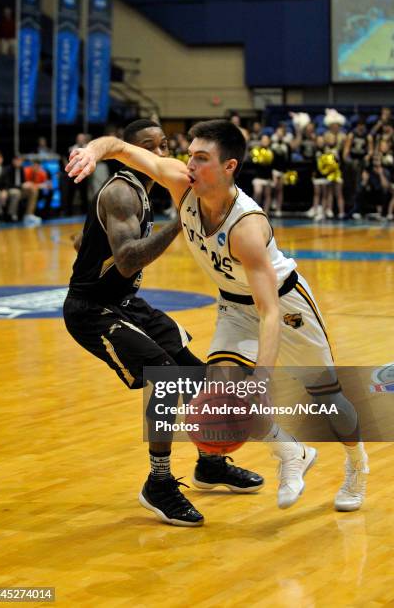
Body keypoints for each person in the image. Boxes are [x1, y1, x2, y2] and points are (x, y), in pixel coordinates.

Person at [67, 119, 370, 513]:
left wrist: (261, 379)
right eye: (189, 154)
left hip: (285, 305)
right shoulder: (180, 181)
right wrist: (93, 151)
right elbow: (121, 148)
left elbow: (270, 312)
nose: (188, 164)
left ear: (229, 167)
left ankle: (357, 465)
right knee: (220, 395)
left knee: (328, 400)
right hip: (232, 304)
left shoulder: (246, 226)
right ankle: (289, 454)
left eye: (201, 158)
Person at [63, 119, 264, 527]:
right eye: (151, 147)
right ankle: (158, 482)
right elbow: (127, 259)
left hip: (124, 301)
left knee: (196, 374)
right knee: (167, 378)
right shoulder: (121, 191)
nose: (162, 154)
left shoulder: (147, 191)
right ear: (131, 152)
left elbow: (103, 247)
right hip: (92, 311)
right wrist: (184, 222)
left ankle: (210, 463)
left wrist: (86, 241)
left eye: (166, 145)